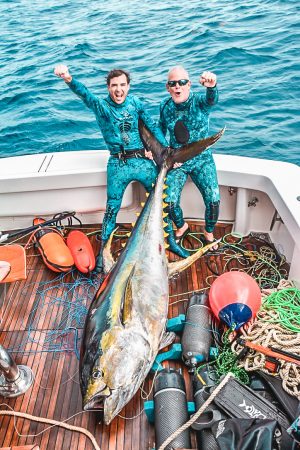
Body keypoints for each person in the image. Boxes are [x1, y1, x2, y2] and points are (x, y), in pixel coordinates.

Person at [54, 64, 167, 272]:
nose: (118, 90)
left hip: (142, 161)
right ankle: (102, 256)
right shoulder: (102, 107)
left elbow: (152, 126)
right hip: (118, 164)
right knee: (111, 210)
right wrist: (69, 79)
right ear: (108, 87)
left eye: (122, 85)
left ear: (128, 86)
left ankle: (167, 245)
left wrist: (166, 150)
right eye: (114, 85)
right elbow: (85, 95)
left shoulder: (136, 103)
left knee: (161, 201)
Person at [159, 65, 220, 257]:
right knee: (168, 203)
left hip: (202, 159)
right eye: (173, 83)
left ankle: (208, 233)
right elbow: (160, 130)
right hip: (178, 161)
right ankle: (182, 225)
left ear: (189, 84)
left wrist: (212, 86)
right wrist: (163, 153)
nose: (178, 86)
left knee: (213, 200)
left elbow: (212, 99)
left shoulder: (199, 102)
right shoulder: (165, 106)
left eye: (182, 82)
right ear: (168, 87)